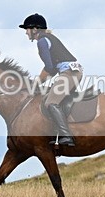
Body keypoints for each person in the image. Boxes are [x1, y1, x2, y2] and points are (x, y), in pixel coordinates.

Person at [19, 13, 81, 147]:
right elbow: (51, 69)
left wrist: (36, 84)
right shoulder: (48, 38)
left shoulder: (42, 41)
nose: (26, 33)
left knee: (51, 103)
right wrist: (37, 83)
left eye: (27, 29)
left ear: (35, 29)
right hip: (71, 71)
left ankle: (66, 135)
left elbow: (49, 68)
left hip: (69, 73)